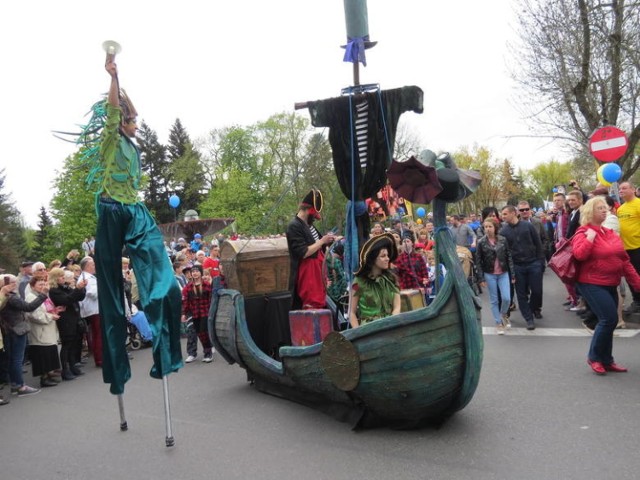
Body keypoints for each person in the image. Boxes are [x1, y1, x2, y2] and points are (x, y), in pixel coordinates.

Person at [85, 59, 183, 394]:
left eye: (136, 121)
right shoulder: (112, 140)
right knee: (111, 291)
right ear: (122, 122)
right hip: (111, 211)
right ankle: (117, 367)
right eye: (133, 121)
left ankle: (165, 352)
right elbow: (113, 112)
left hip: (135, 210)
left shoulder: (133, 146)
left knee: (167, 285)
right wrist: (114, 78)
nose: (137, 126)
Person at [572, 197, 640, 375]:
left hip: (611, 282)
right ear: (590, 212)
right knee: (608, 319)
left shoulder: (609, 233)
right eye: (599, 208)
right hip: (591, 283)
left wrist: (637, 283)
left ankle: (607, 360)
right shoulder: (583, 232)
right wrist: (589, 239)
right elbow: (579, 255)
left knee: (610, 321)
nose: (604, 210)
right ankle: (594, 358)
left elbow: (624, 261)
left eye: (605, 208)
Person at [286, 189, 335, 309]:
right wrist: (322, 241)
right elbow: (304, 252)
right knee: (311, 306)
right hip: (308, 279)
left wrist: (327, 240)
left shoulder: (309, 226)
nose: (314, 218)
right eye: (313, 215)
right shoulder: (294, 226)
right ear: (308, 210)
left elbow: (319, 247)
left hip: (317, 276)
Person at [0, 274, 48, 396]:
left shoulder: (6, 297)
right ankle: (19, 386)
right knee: (16, 360)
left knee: (12, 359)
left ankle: (15, 384)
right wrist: (43, 295)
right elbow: (28, 307)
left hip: (9, 330)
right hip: (16, 330)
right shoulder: (11, 297)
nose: (15, 284)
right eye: (12, 282)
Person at [500, 205, 543, 330]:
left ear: (513, 213)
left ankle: (532, 308)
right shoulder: (504, 232)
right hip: (517, 266)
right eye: (502, 214)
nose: (503, 216)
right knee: (521, 294)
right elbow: (505, 252)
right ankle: (528, 318)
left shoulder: (527, 226)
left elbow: (538, 243)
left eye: (505, 214)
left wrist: (540, 262)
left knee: (537, 291)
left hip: (533, 263)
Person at [349, 233, 401, 327]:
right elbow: (351, 313)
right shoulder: (358, 282)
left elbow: (397, 307)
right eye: (383, 256)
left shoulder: (391, 280)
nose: (387, 259)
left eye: (388, 255)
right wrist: (358, 334)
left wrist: (390, 325)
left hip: (390, 327)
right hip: (368, 330)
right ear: (373, 259)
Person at [474, 217, 515, 334]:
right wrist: (480, 278)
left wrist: (512, 274)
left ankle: (503, 314)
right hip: (489, 274)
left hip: (503, 273)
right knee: (494, 300)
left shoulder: (503, 240)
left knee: (507, 298)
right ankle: (498, 322)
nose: (487, 229)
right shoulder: (481, 242)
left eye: (490, 226)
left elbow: (509, 257)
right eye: (485, 227)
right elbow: (478, 261)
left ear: (495, 227)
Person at [48, 268, 87, 380]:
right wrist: (77, 290)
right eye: (61, 276)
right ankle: (65, 369)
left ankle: (72, 366)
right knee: (67, 344)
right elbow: (67, 300)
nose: (63, 278)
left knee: (73, 343)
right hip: (65, 320)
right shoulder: (54, 291)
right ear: (55, 278)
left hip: (74, 317)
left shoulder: (66, 287)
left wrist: (81, 288)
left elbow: (79, 297)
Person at [25, 276, 63, 388]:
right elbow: (34, 315)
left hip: (48, 328)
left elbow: (46, 309)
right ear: (32, 286)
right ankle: (44, 378)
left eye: (43, 284)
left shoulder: (43, 296)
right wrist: (51, 316)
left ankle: (49, 373)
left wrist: (55, 310)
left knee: (49, 351)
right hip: (40, 330)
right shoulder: (31, 297)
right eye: (39, 285)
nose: (42, 287)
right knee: (42, 354)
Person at [181, 265, 214, 363]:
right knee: (199, 333)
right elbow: (185, 301)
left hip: (205, 312)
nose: (194, 273)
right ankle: (195, 353)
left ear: (200, 272)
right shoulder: (188, 287)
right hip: (194, 313)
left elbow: (211, 299)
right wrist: (183, 313)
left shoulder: (206, 285)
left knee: (204, 332)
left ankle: (208, 353)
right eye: (193, 271)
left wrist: (212, 311)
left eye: (196, 271)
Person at [617, 181, 640, 313]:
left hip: (637, 247)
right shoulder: (621, 208)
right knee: (630, 276)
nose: (621, 190)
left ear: (633, 189)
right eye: (620, 189)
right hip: (625, 249)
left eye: (624, 188)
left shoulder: (638, 204)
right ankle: (636, 301)